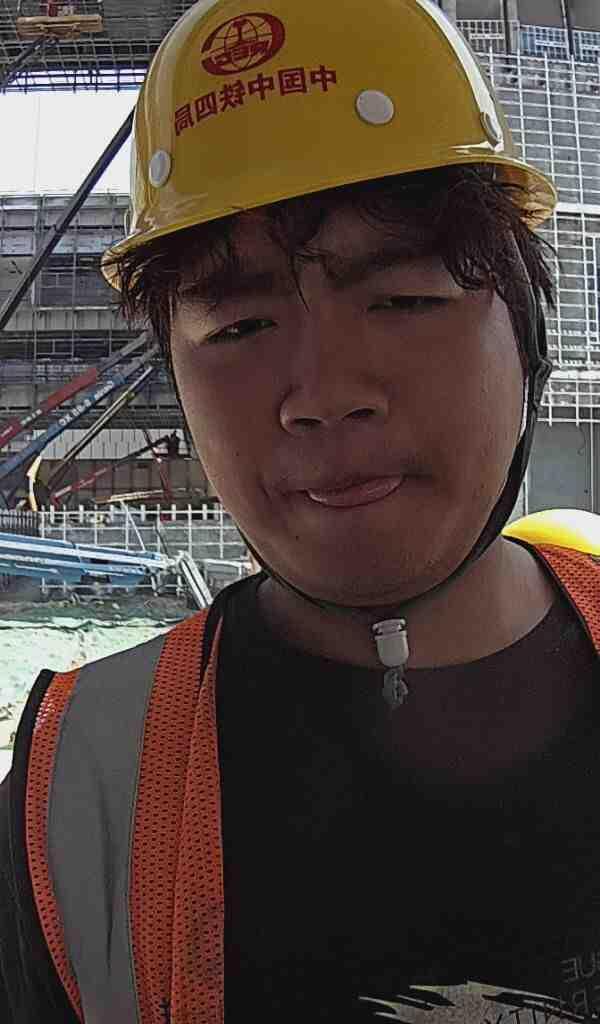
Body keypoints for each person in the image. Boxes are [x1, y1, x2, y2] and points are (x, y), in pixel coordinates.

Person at [1, 0, 598, 1021]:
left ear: (526, 326)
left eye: (403, 300)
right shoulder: (77, 790)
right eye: (240, 327)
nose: (322, 394)